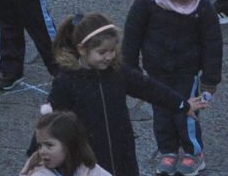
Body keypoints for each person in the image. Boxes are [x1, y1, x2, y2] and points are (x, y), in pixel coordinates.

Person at [46, 12, 206, 176]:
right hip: (88, 157)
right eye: (102, 52)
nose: (109, 56)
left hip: (123, 152)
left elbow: (149, 88)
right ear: (82, 49)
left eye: (112, 50)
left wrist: (181, 104)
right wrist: (39, 156)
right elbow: (50, 122)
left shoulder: (117, 72)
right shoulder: (67, 81)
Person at [122, 0, 223, 173]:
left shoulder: (202, 7)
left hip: (187, 69)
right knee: (161, 113)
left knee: (187, 112)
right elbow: (133, 33)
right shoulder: (149, 0)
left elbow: (213, 43)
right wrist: (130, 67)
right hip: (156, 67)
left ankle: (193, 152)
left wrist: (210, 79)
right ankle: (167, 150)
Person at [22, 109, 112, 176]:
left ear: (69, 144)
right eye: (39, 146)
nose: (42, 151)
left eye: (49, 145)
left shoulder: (90, 170)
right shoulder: (39, 173)